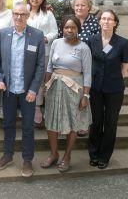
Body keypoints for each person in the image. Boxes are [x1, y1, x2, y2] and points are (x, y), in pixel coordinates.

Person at [0, 3, 46, 178]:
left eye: (22, 14)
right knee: (8, 124)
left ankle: (27, 159)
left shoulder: (37, 36)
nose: (19, 17)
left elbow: (40, 66)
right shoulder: (3, 34)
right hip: (8, 90)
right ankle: (7, 155)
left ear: (28, 16)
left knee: (28, 127)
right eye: (16, 14)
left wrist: (34, 89)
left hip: (27, 91)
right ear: (12, 15)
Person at [41, 16, 92, 173]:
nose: (69, 30)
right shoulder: (56, 43)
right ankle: (54, 153)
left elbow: (88, 74)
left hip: (74, 89)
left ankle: (67, 156)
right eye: (66, 27)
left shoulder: (84, 48)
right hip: (55, 87)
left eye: (73, 27)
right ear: (62, 29)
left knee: (73, 123)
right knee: (51, 121)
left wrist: (85, 96)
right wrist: (45, 87)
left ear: (78, 29)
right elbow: (49, 67)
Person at [87, 10, 128, 170]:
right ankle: (93, 153)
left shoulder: (122, 42)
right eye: (103, 19)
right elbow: (87, 61)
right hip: (96, 88)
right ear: (99, 22)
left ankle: (104, 156)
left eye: (109, 19)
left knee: (110, 122)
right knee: (96, 121)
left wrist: (118, 78)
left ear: (115, 23)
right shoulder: (92, 40)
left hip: (114, 89)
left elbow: (126, 63)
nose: (106, 21)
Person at [26, 0, 59, 123]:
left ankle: (38, 106)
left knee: (41, 79)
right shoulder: (23, 10)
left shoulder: (48, 13)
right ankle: (27, 104)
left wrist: (45, 38)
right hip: (26, 52)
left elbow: (55, 32)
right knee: (29, 77)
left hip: (44, 50)